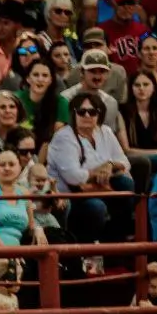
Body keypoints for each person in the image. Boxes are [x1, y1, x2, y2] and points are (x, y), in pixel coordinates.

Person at [48, 89, 133, 243]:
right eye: (81, 112)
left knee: (126, 183)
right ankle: (89, 249)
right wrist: (98, 172)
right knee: (96, 206)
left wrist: (110, 165)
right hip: (71, 197)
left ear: (99, 114)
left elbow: (125, 163)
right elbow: (73, 177)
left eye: (92, 112)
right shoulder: (63, 137)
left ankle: (117, 243)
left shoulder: (105, 131)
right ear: (73, 114)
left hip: (100, 188)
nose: (87, 116)